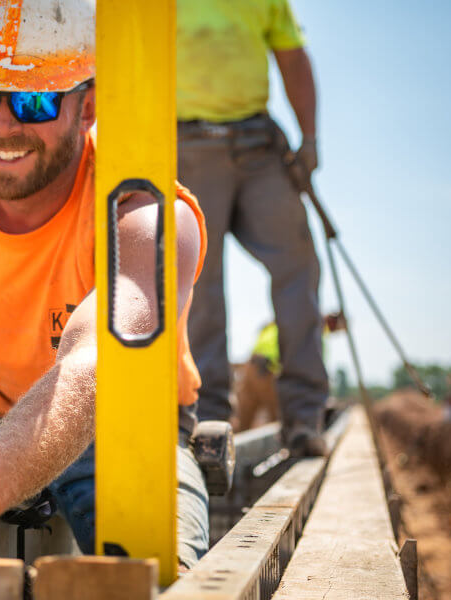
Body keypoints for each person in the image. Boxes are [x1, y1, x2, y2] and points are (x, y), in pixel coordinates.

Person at [0, 0, 211, 577]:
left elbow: (100, 361)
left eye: (34, 100)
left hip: (126, 422)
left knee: (157, 578)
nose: (3, 125)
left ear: (88, 106)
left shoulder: (146, 214)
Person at [176, 0, 327, 455]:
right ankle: (208, 419)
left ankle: (303, 418)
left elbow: (292, 56)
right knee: (199, 273)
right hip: (184, 142)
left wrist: (309, 140)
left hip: (256, 143)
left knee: (298, 261)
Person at [235, 312, 345, 432]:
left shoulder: (294, 320)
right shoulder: (312, 337)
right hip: (268, 371)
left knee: (245, 421)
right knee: (276, 419)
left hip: (255, 366)